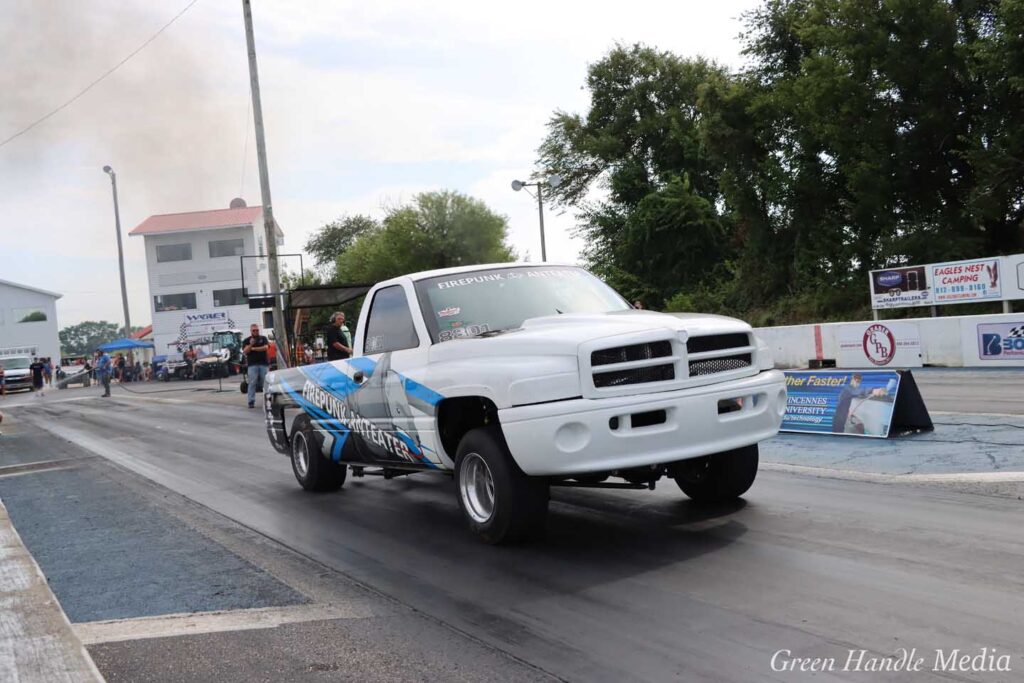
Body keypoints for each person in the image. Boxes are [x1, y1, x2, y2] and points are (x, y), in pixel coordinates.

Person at [242, 323, 271, 409]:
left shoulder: (263, 338)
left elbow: (265, 348)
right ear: (251, 331)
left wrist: (253, 349)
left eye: (257, 330)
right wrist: (251, 344)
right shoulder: (247, 340)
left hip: (263, 364)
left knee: (265, 383)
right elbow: (245, 351)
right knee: (252, 383)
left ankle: (268, 400)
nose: (256, 332)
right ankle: (251, 401)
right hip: (252, 365)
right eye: (254, 330)